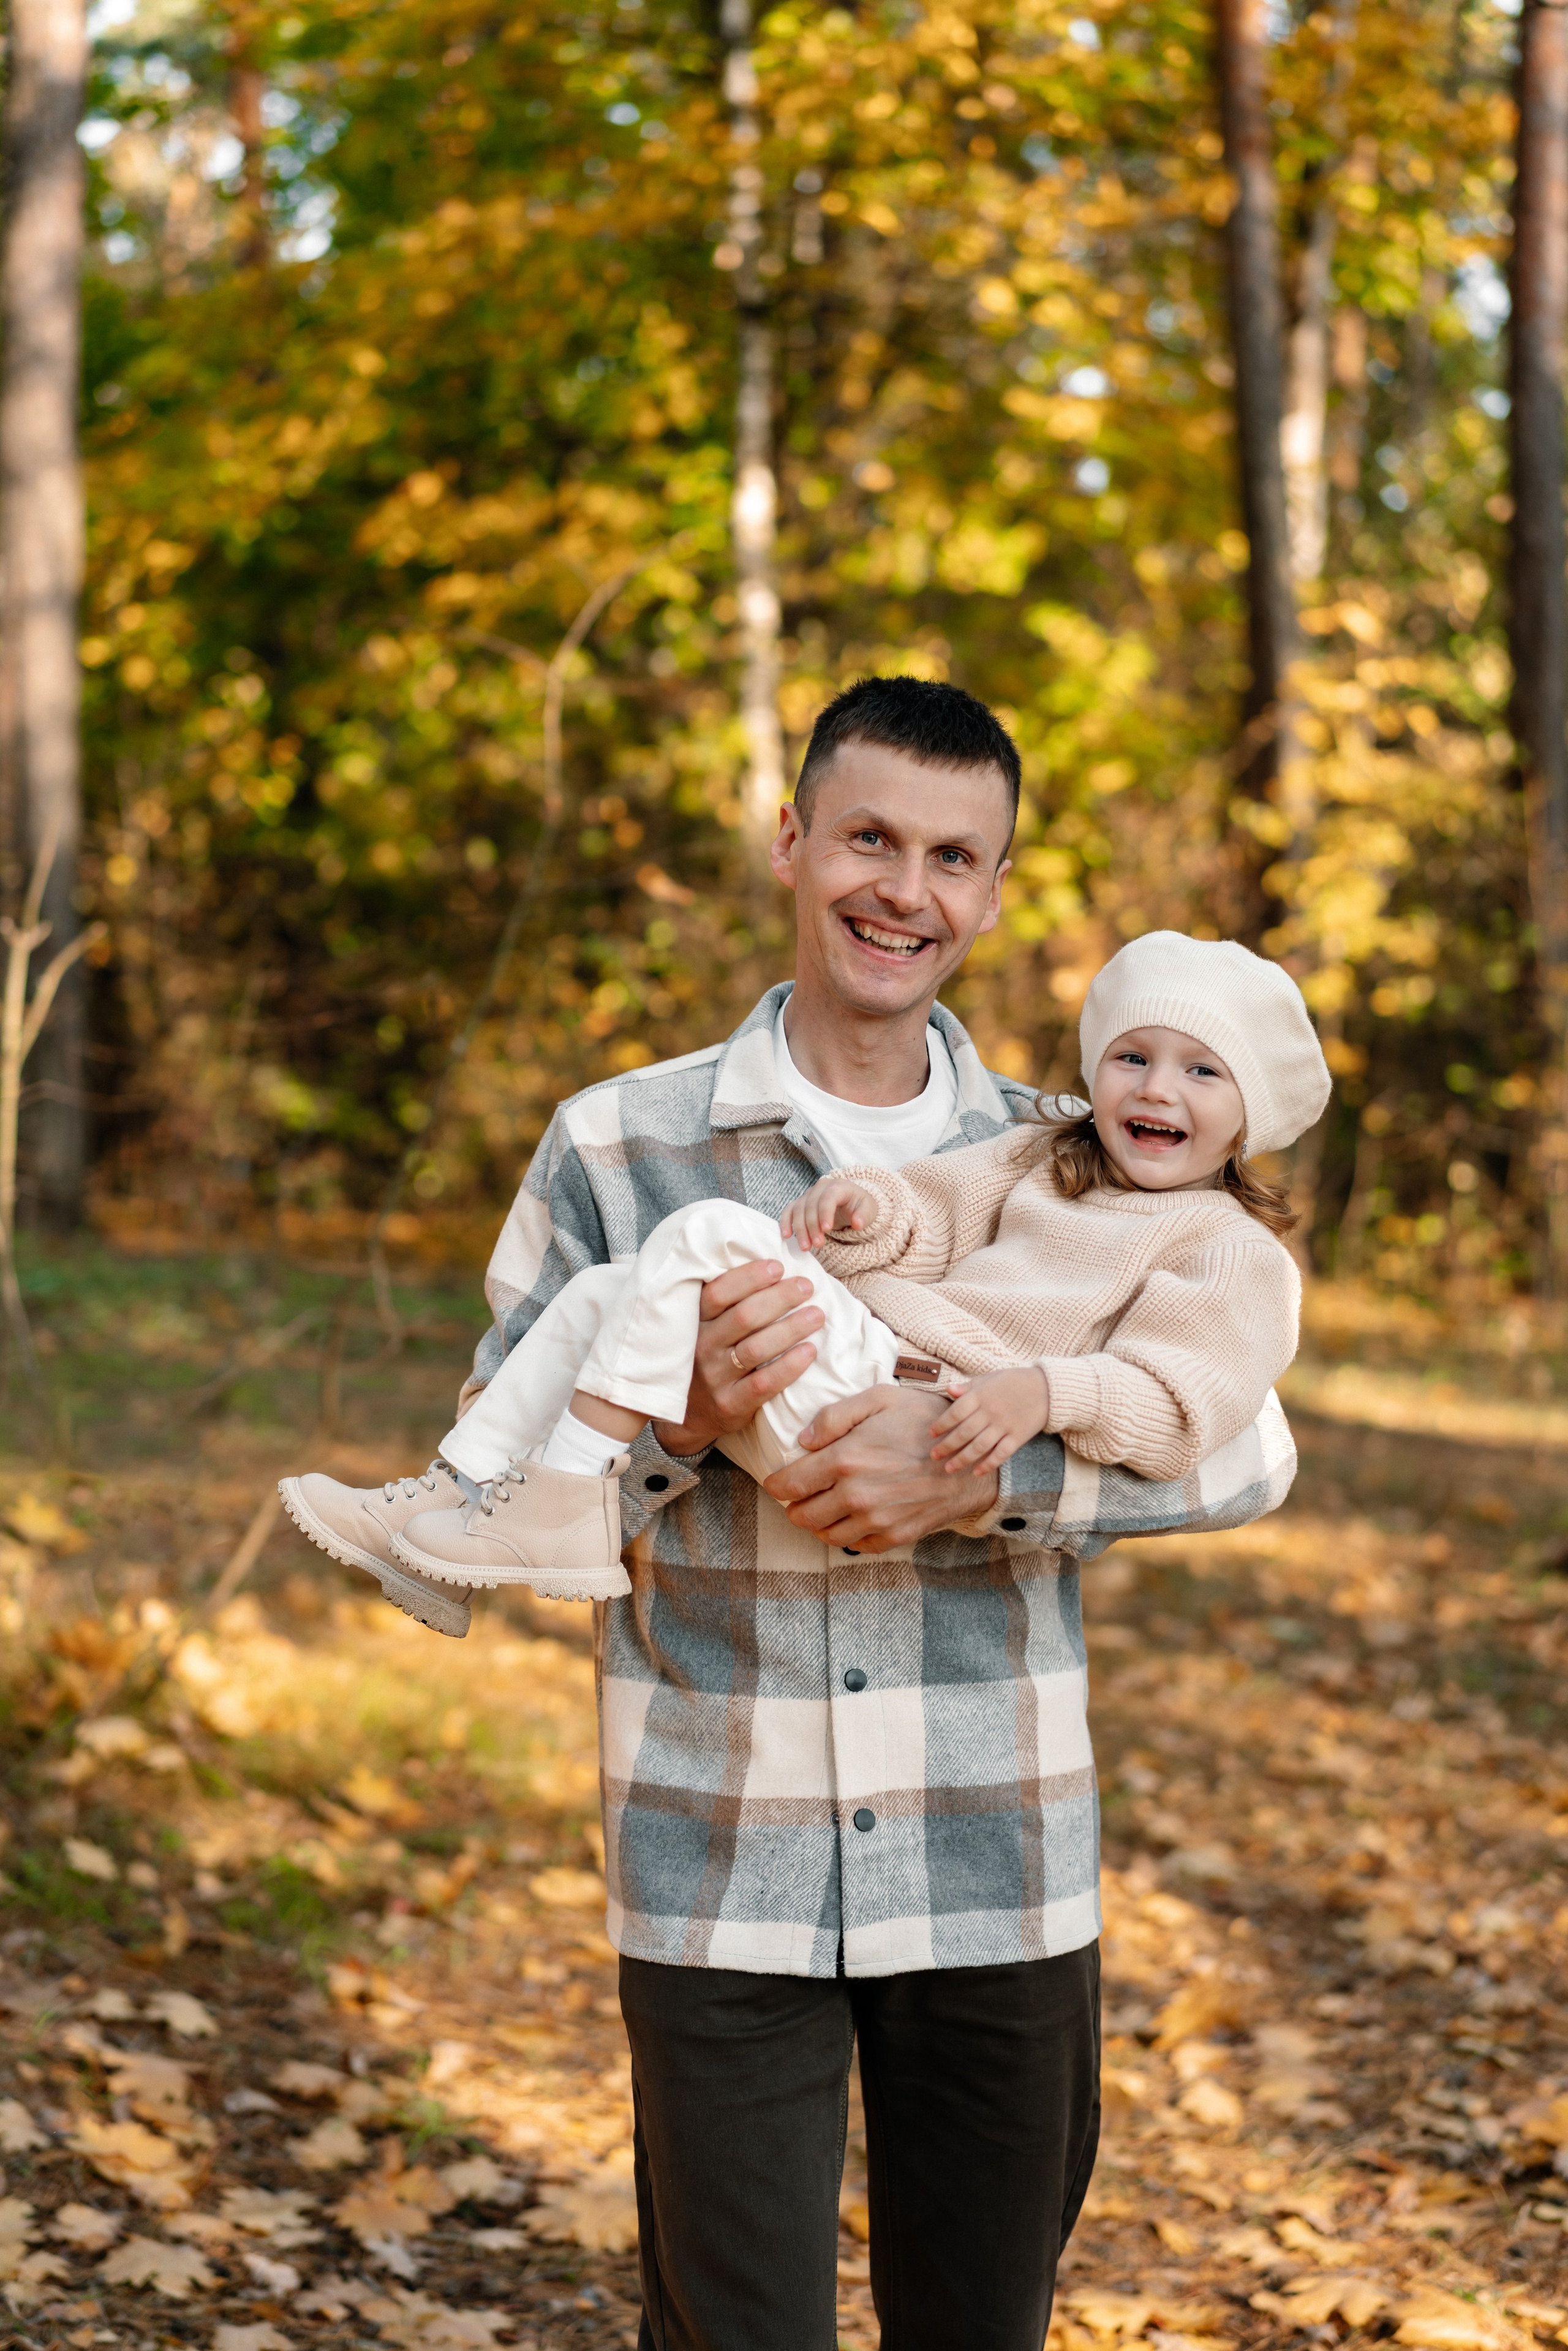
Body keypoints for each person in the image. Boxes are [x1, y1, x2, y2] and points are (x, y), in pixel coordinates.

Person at [281, 678, 1300, 2351]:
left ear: (994, 890)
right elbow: (508, 1451)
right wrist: (675, 1426)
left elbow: (1251, 1443)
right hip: (715, 1847)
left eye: (954, 856)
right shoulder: (620, 1141)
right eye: (872, 837)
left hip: (998, 1849)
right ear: (794, 840)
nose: (907, 888)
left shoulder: (1088, 1156)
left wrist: (984, 1469)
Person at [295, 930, 1324, 1606]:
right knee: (604, 1291)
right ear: (1096, 1070)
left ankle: (565, 1498)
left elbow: (1189, 1403)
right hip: (860, 1363)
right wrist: (863, 1209)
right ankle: (445, 1508)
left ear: (1250, 1114)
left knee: (701, 1235)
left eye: (1202, 1071)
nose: (1159, 1087)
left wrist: (1039, 1396)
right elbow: (931, 1209)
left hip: (913, 1408)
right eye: (1132, 1057)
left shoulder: (1231, 1251)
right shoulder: (1038, 1154)